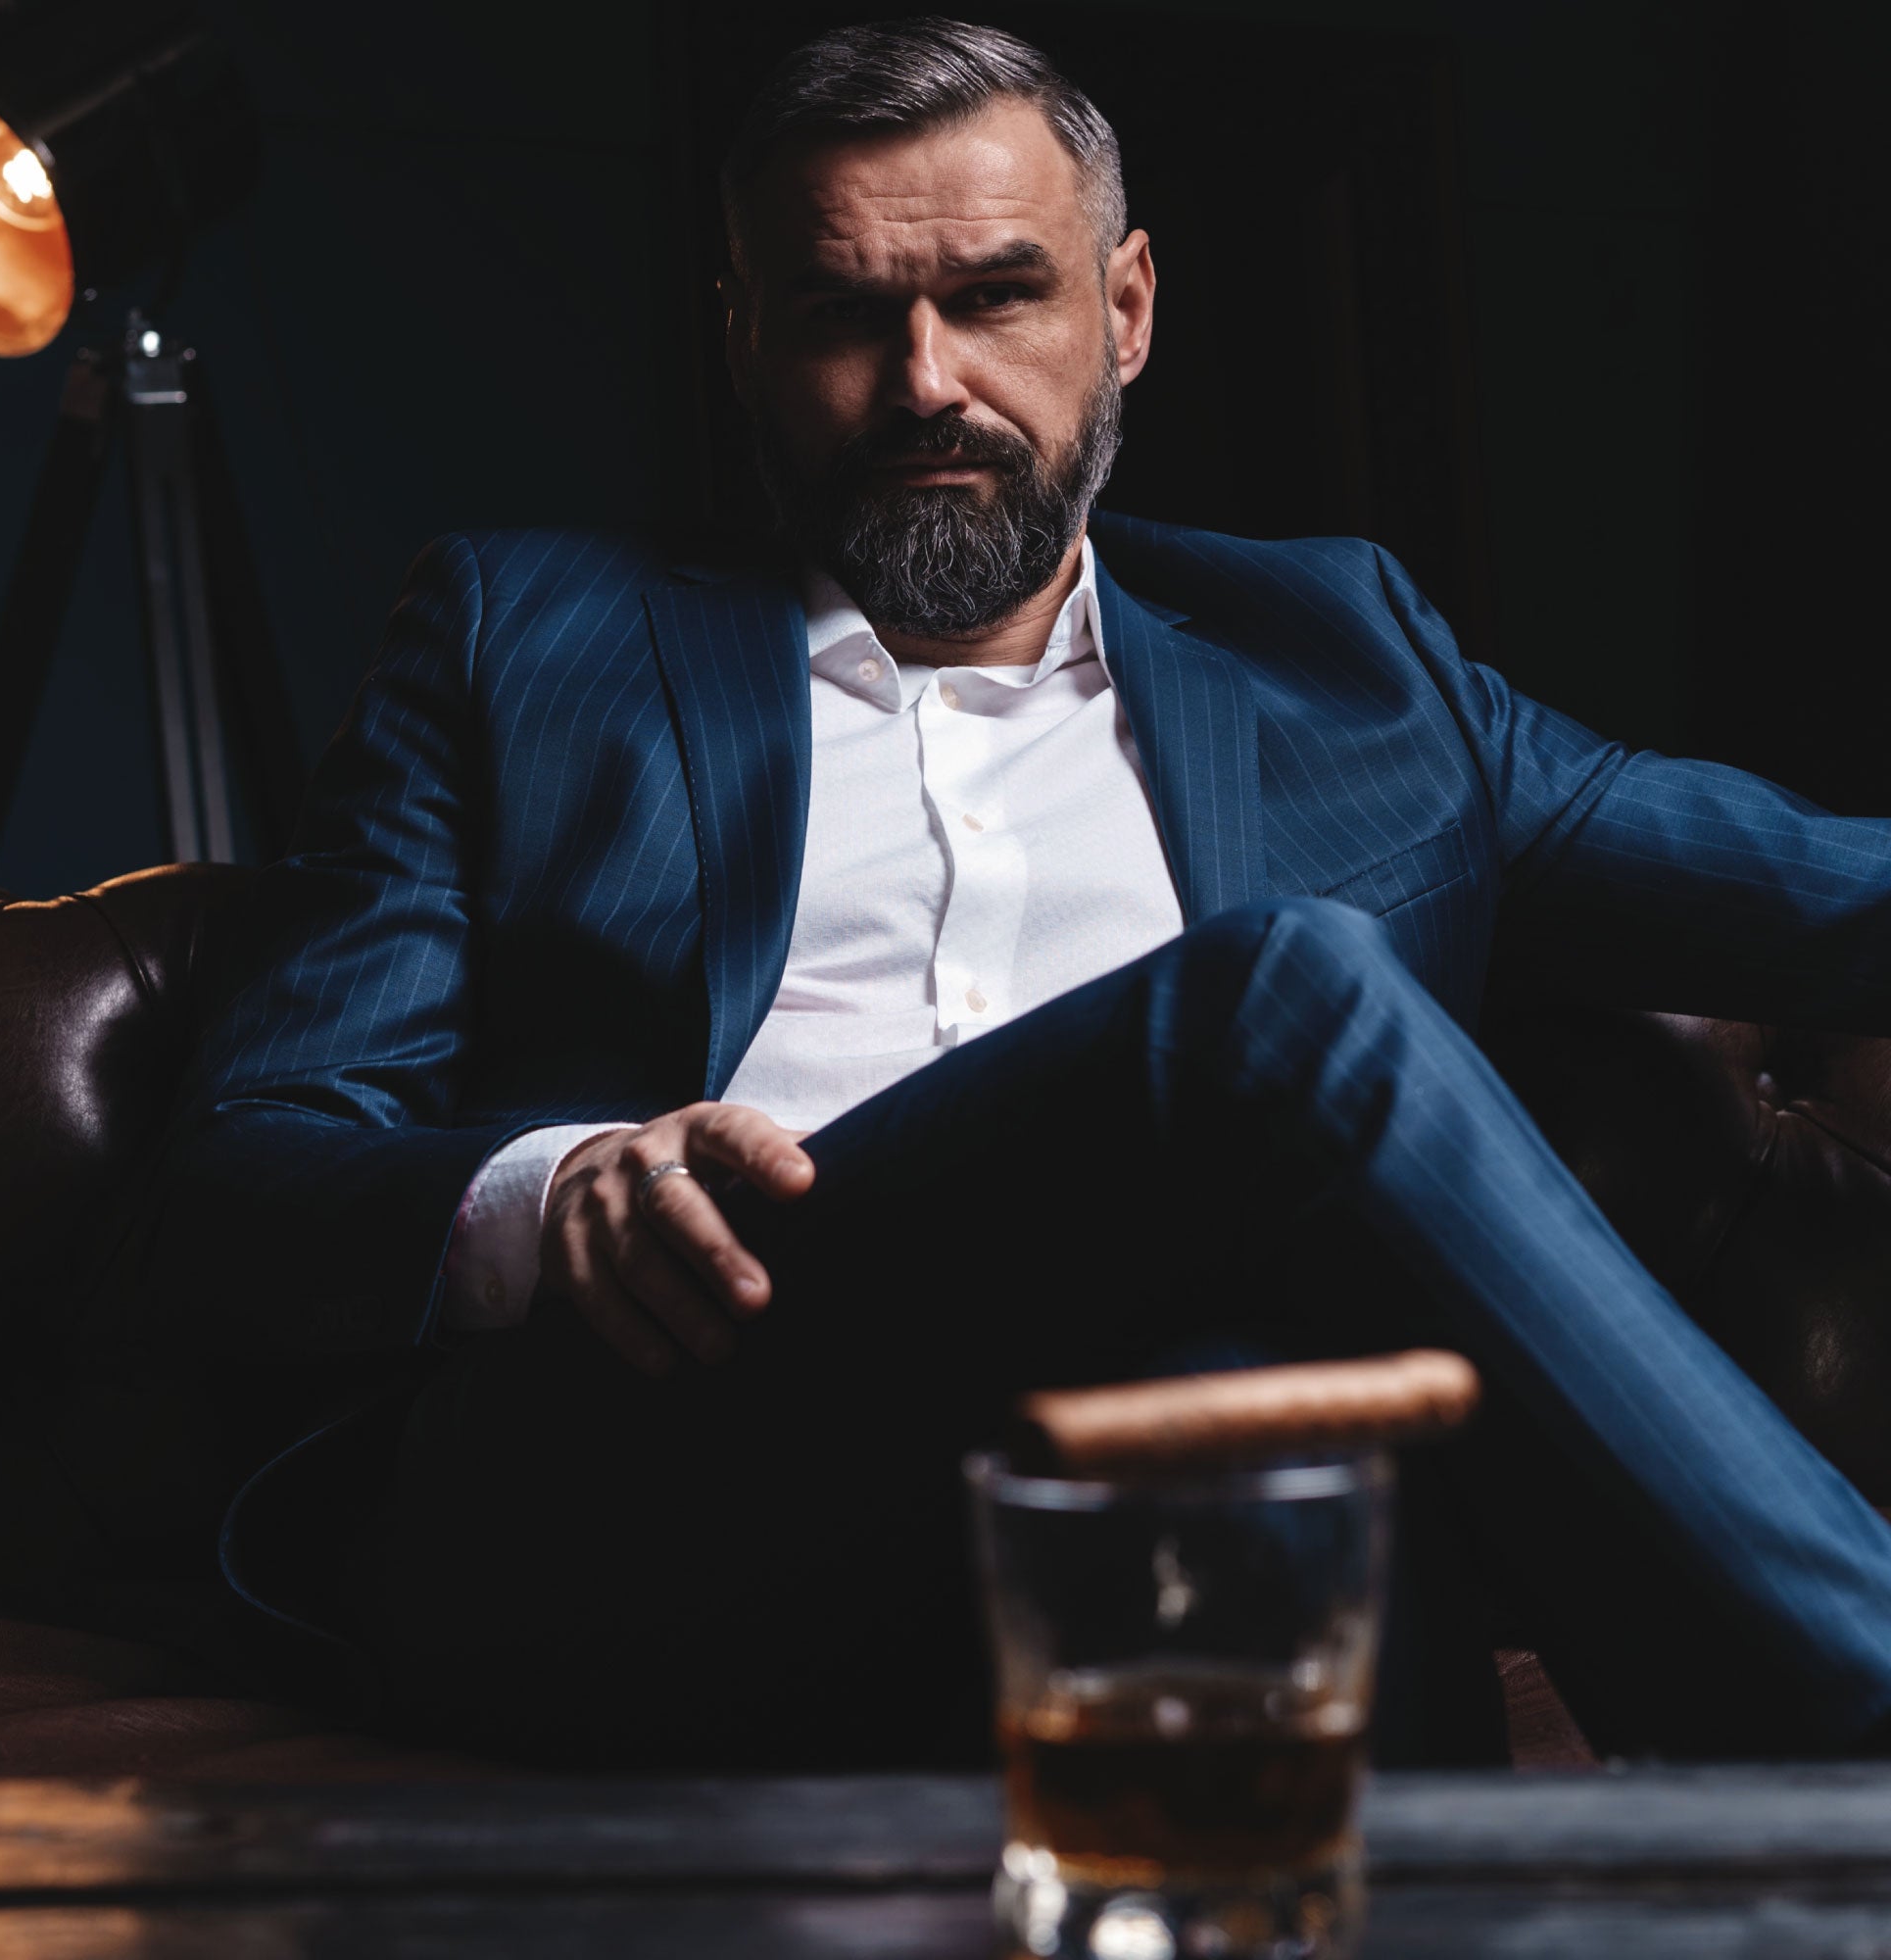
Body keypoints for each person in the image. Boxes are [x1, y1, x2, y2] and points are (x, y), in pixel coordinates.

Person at [145, 17, 1891, 1771]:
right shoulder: (519, 640)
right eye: (843, 312)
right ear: (741, 330)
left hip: (1150, 1496)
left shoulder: (1353, 661)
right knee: (1288, 996)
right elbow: (247, 1160)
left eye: (996, 297)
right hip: (655, 1469)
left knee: (1228, 1424)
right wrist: (549, 1194)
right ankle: (1856, 1714)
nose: (924, 382)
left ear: (1122, 310)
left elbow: (1830, 898)